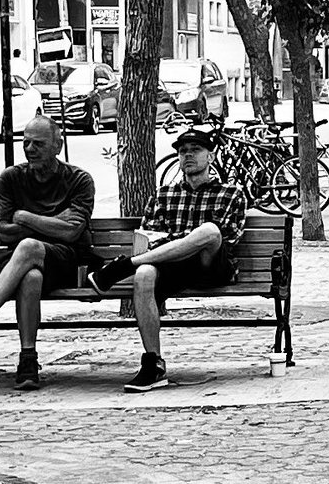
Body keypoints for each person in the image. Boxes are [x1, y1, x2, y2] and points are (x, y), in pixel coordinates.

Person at [87, 128, 246, 392]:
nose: (188, 156)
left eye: (195, 150)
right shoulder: (163, 195)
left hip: (211, 266)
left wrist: (178, 239)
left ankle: (124, 266)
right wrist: (181, 243)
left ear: (211, 156)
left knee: (209, 231)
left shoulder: (231, 193)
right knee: (145, 273)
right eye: (183, 152)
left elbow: (225, 237)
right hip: (173, 269)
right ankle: (153, 364)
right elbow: (151, 237)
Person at [0, 116, 94, 389]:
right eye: (25, 142)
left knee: (28, 246)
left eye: (38, 143)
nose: (29, 149)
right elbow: (4, 232)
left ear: (58, 145)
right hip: (20, 263)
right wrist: (53, 221)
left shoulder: (78, 179)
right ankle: (28, 359)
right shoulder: (11, 178)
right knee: (30, 277)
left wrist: (25, 217)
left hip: (67, 260)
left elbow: (72, 233)